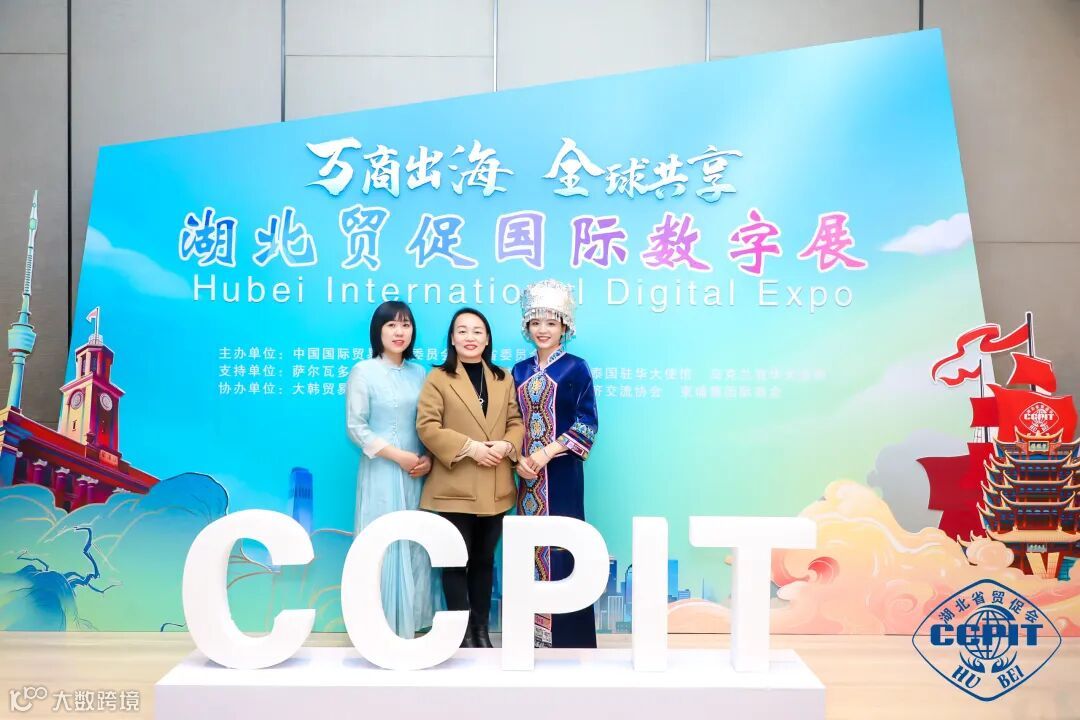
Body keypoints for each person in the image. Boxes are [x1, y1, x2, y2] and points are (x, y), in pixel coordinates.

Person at [416, 307, 524, 648]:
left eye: (477, 331)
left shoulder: (503, 377)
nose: (470, 337)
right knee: (454, 561)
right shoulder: (438, 377)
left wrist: (507, 445)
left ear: (487, 338)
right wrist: (471, 448)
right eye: (462, 331)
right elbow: (427, 427)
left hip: (495, 485)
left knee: (484, 561)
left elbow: (516, 422)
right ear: (452, 338)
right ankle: (460, 634)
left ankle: (480, 630)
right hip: (455, 486)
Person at [513, 280, 599, 648]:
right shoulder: (518, 371)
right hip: (527, 479)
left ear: (565, 326)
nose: (543, 330)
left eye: (551, 322)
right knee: (528, 548)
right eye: (536, 323)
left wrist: (546, 452)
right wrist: (519, 459)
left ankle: (568, 639)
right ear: (527, 327)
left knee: (564, 547)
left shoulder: (576, 368)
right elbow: (510, 422)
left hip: (562, 474)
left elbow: (587, 423)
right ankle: (529, 637)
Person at [346, 300, 433, 639]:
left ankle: (415, 623)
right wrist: (398, 456)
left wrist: (427, 458)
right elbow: (356, 428)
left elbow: (428, 423)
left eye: (405, 325)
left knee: (415, 543)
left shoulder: (420, 372)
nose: (399, 332)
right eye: (391, 325)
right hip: (382, 471)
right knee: (381, 541)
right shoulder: (363, 371)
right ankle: (378, 627)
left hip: (416, 474)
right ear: (378, 331)